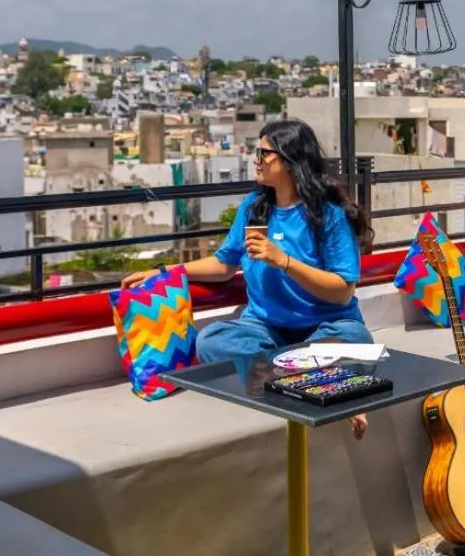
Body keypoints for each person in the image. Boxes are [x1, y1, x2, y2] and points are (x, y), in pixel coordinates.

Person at [121, 118, 375, 438]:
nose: (256, 160)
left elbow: (341, 291)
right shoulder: (254, 209)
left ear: (291, 161)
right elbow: (224, 264)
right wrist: (166, 271)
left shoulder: (328, 215)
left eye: (264, 153)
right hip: (266, 329)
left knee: (355, 338)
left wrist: (282, 260)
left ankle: (299, 374)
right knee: (211, 342)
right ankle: (319, 378)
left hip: (326, 325)